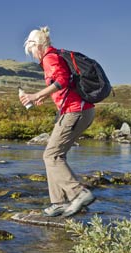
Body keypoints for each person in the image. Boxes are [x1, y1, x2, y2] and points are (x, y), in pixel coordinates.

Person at [21, 27, 96, 217]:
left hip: (75, 111)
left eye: (32, 51)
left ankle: (79, 193)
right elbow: (64, 83)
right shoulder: (54, 56)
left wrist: (36, 94)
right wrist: (44, 98)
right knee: (55, 156)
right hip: (80, 111)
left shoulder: (49, 57)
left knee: (51, 156)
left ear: (36, 46)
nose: (34, 56)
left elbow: (62, 79)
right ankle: (59, 202)